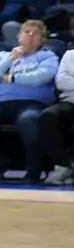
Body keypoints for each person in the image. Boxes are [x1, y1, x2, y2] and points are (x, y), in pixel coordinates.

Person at [0, 20, 59, 182]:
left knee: (29, 120)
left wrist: (11, 78)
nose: (30, 36)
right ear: (19, 37)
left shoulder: (48, 56)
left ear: (42, 40)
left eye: (35, 34)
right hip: (0, 103)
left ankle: (33, 171)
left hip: (33, 102)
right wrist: (10, 59)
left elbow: (42, 76)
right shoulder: (3, 56)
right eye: (27, 32)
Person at [42, 45, 74, 186]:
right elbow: (61, 82)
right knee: (49, 115)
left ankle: (71, 162)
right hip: (70, 100)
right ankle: (62, 165)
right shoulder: (70, 54)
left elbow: (68, 81)